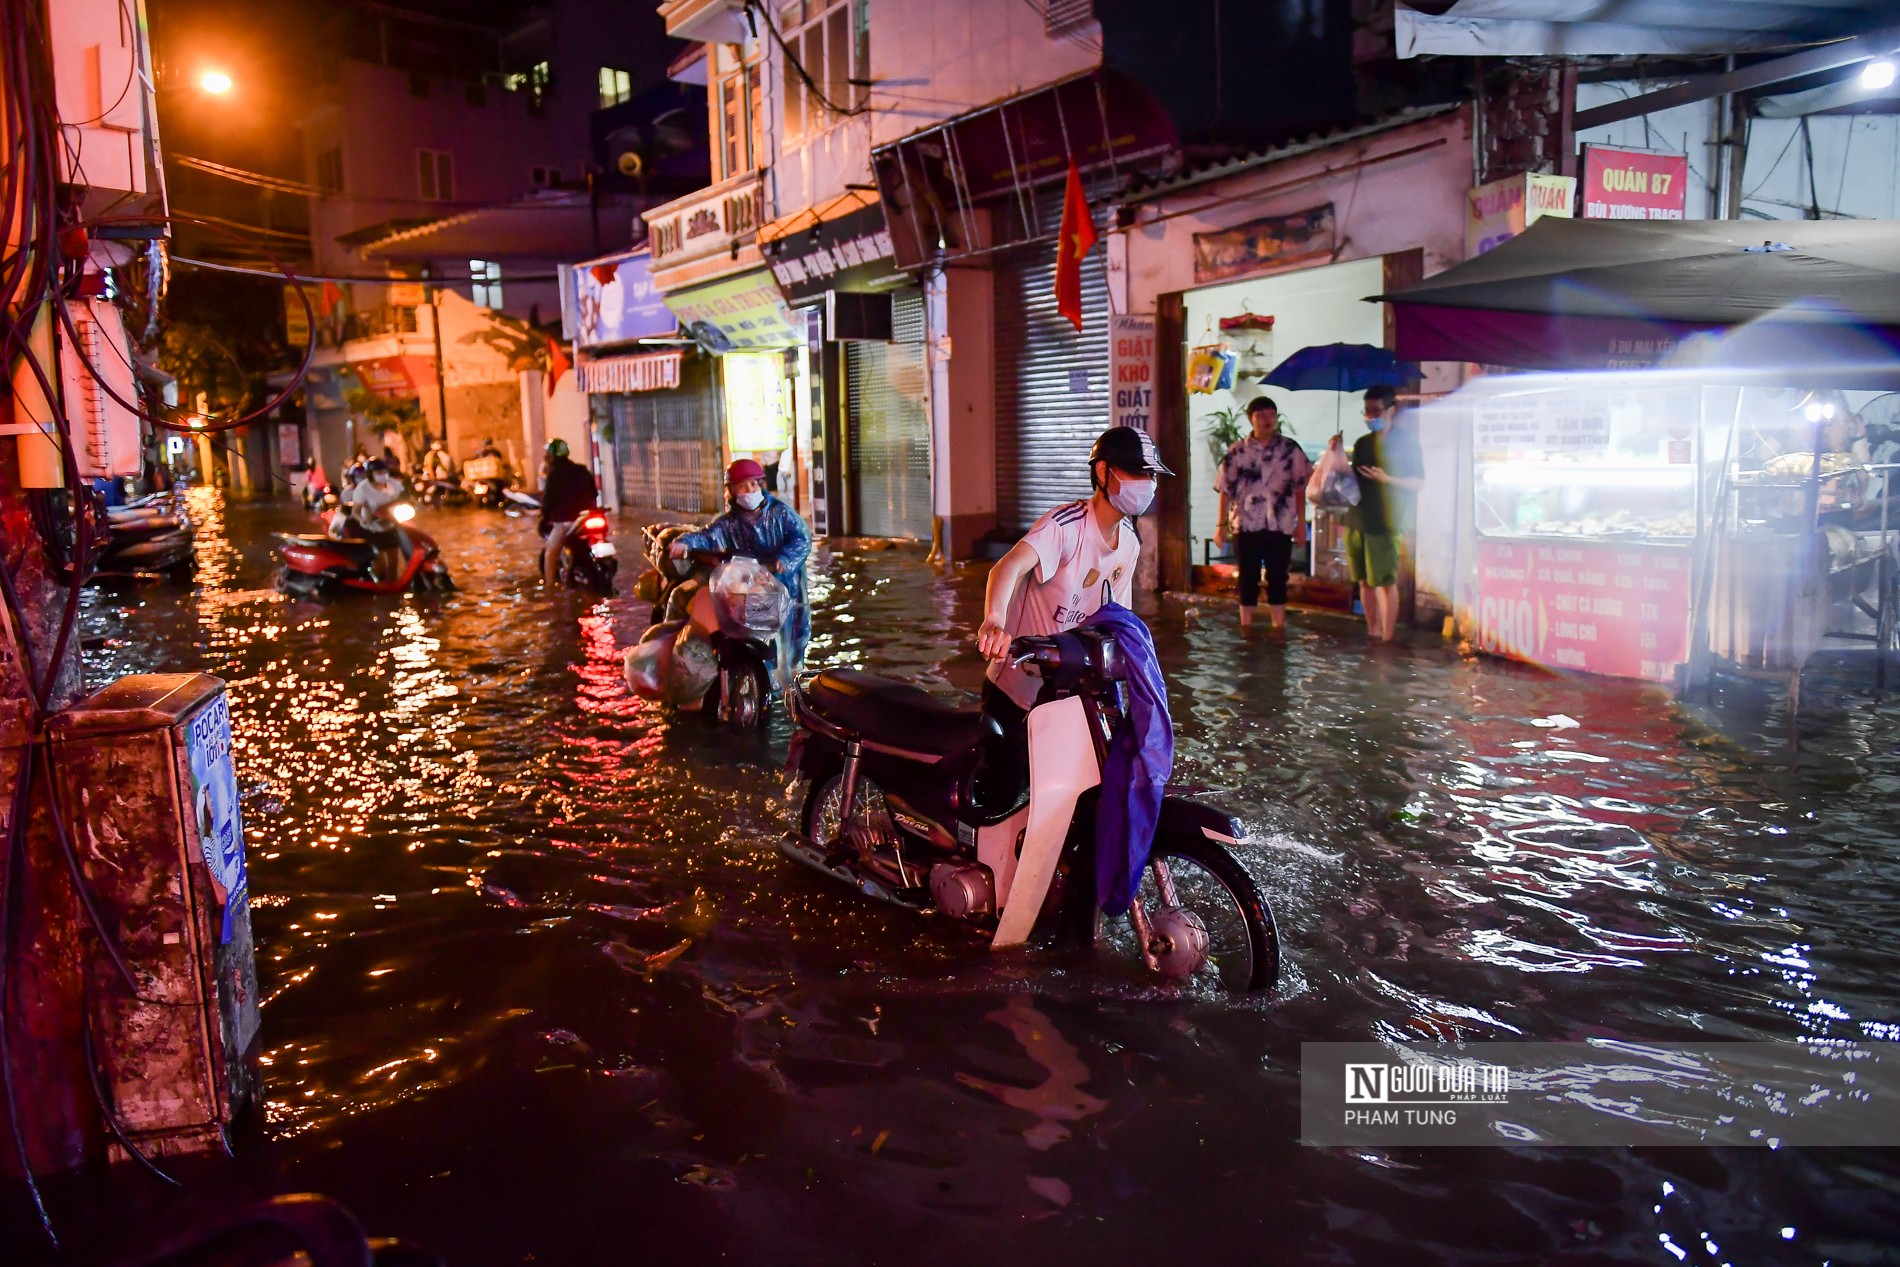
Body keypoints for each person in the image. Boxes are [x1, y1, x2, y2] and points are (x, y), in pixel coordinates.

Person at [977, 425, 1170, 765]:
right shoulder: (1066, 525)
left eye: (1151, 475)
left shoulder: (1129, 542)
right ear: (1102, 471)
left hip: (1067, 695)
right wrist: (994, 620)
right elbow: (1007, 568)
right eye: (1137, 472)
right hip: (1014, 688)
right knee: (1002, 789)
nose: (1147, 484)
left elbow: (1117, 621)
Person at [669, 458, 814, 666]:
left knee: (790, 636)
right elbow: (707, 536)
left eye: (753, 484)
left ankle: (788, 679)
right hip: (748, 585)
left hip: (783, 583)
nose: (749, 490)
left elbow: (802, 539)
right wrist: (685, 543)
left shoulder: (781, 513)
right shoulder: (729, 522)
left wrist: (783, 560)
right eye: (742, 486)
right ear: (732, 491)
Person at [1213, 396, 1312, 633]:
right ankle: (1246, 627)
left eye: (1271, 414)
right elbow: (1224, 490)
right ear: (1251, 420)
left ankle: (1278, 627)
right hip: (1246, 524)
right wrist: (1220, 525)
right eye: (1260, 415)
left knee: (1279, 576)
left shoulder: (1290, 450)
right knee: (1248, 577)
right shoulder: (1237, 452)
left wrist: (1300, 524)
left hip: (1280, 524)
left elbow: (1300, 487)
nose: (1267, 420)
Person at [1343, 384, 1424, 643]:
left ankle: (1387, 639)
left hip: (1386, 522)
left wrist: (1387, 478)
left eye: (1376, 411)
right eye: (1366, 411)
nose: (1371, 417)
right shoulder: (1362, 443)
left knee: (1384, 581)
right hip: (1357, 518)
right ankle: (1372, 630)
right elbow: (1351, 482)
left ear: (1391, 410)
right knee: (1364, 581)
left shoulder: (1407, 443)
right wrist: (1336, 457)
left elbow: (1418, 483)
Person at [333, 458, 407, 581]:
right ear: (370, 474)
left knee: (394, 565)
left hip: (390, 526)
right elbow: (356, 511)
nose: (382, 475)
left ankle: (392, 592)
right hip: (372, 529)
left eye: (384, 471)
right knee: (381, 566)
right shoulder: (362, 489)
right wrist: (363, 520)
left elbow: (404, 497)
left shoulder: (393, 484)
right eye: (378, 472)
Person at [538, 438, 599, 587]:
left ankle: (550, 587)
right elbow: (595, 494)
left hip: (566, 521)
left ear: (552, 456)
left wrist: (544, 515)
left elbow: (549, 501)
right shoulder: (582, 470)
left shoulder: (554, 475)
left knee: (550, 553)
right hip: (588, 518)